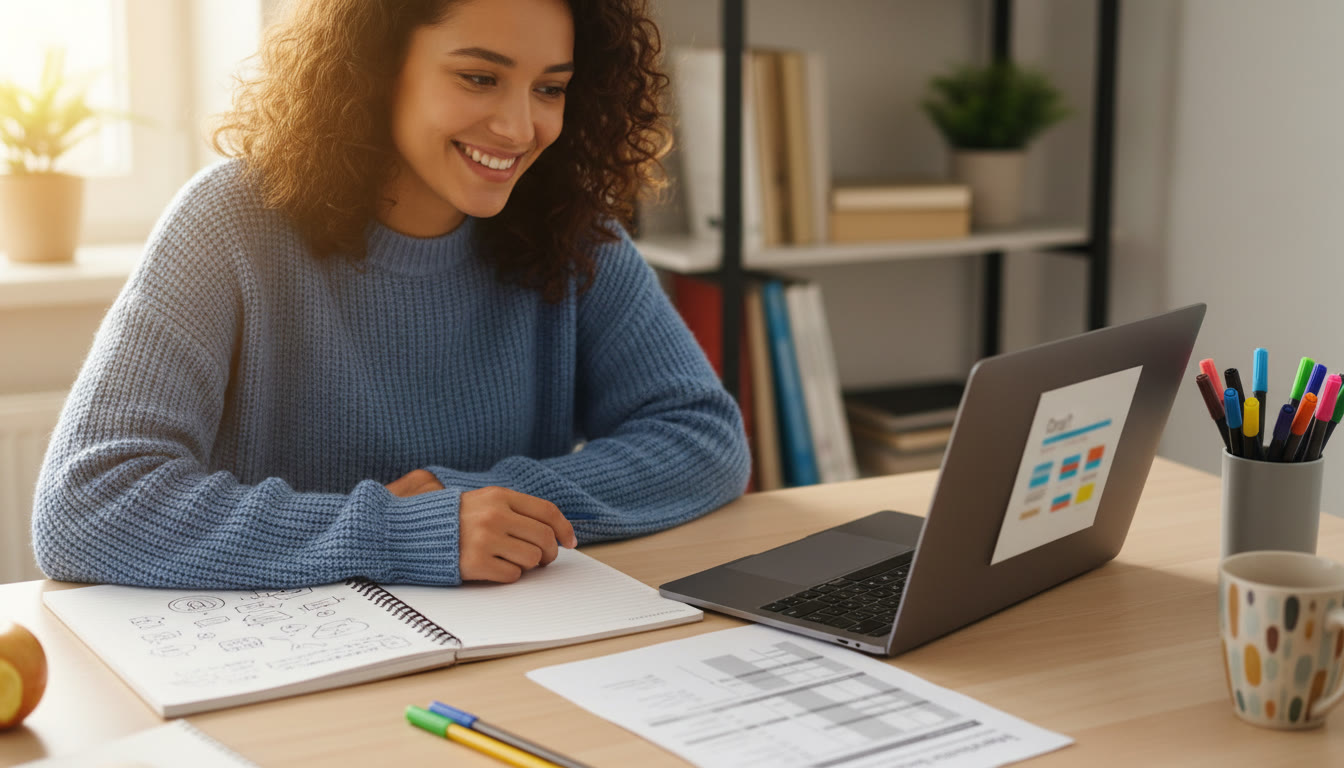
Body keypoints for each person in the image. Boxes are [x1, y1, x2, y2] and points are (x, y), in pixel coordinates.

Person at [30, 0, 750, 589]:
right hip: (285, 668)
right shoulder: (229, 224)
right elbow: (87, 503)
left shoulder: (573, 234)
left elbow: (704, 436)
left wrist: (484, 503)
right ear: (376, 69)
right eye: (478, 77)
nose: (519, 126)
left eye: (550, 88)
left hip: (502, 650)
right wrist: (406, 530)